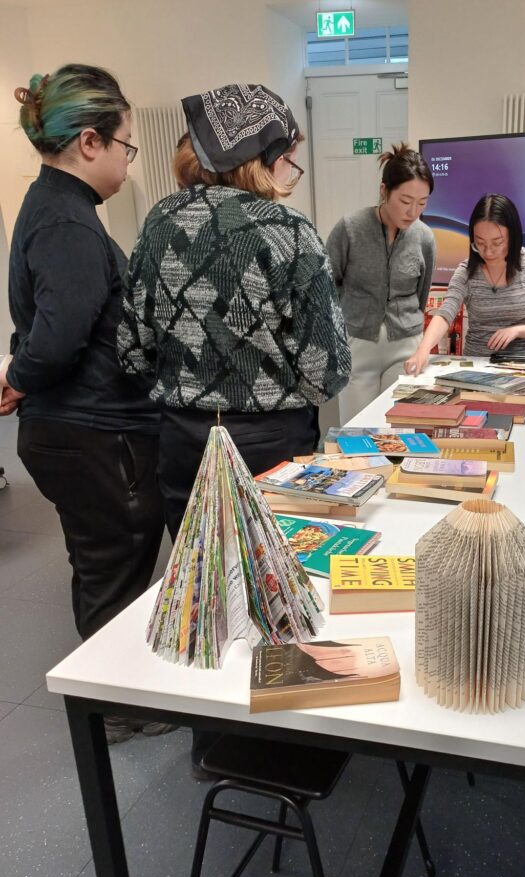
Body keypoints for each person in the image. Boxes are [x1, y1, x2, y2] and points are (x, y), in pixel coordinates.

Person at [117, 82, 350, 775]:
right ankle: (283, 745)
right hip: (270, 445)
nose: (289, 170)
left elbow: (131, 349)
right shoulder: (290, 233)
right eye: (287, 156)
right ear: (263, 155)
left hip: (182, 441)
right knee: (277, 585)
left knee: (202, 585)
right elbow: (328, 368)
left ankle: (212, 744)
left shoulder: (158, 223)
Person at [1, 64, 173, 745]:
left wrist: (20, 373)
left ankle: (115, 697)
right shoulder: (67, 222)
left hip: (84, 428)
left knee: (103, 562)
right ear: (90, 142)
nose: (129, 162)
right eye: (126, 146)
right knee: (114, 569)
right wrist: (20, 376)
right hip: (95, 432)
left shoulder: (54, 208)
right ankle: (119, 708)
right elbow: (58, 335)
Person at [326, 144, 435, 422]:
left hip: (406, 346)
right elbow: (327, 287)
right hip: (357, 343)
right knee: (356, 431)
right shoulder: (350, 228)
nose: (413, 211)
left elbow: (421, 295)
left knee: (399, 430)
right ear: (384, 190)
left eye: (422, 203)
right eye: (405, 200)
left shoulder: (424, 237)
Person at [405, 193, 525, 374]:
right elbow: (445, 313)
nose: (488, 252)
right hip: (475, 366)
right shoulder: (466, 271)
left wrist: (516, 331)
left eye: (497, 242)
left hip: (519, 366)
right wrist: (423, 350)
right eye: (480, 243)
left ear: (512, 236)